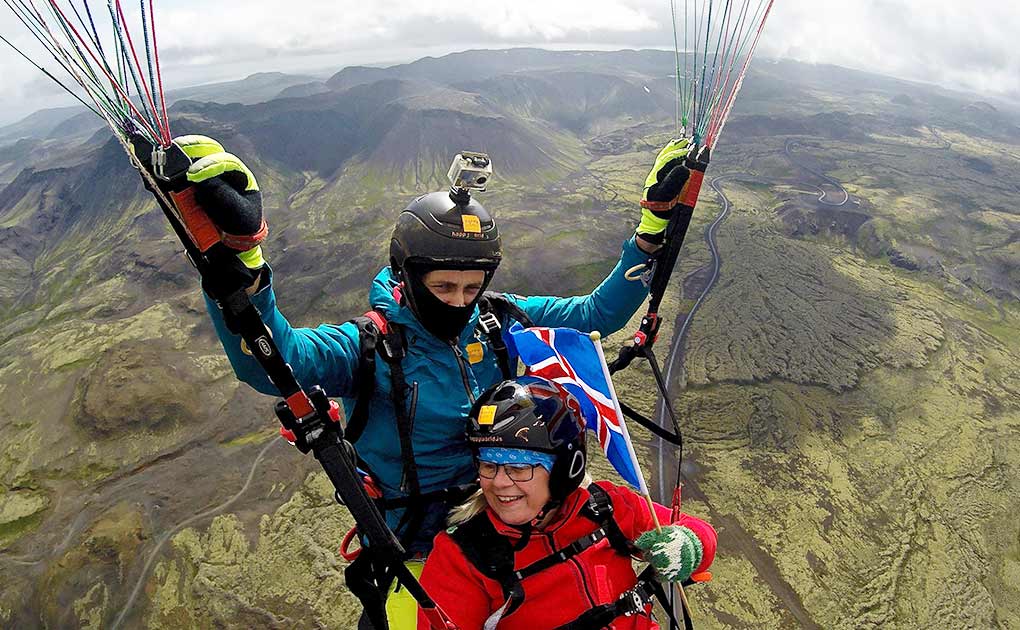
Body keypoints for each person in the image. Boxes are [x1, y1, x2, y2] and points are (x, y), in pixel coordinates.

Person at [173, 133, 696, 626]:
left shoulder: (497, 321)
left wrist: (651, 229)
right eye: (443, 286)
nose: (458, 301)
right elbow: (271, 361)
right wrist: (244, 257)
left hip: (507, 522)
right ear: (405, 275)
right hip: (419, 550)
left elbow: (596, 314)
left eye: (472, 287)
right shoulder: (369, 348)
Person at [417, 376, 716, 629]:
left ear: (564, 470)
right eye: (488, 466)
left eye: (518, 468)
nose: (499, 482)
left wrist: (689, 544)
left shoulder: (604, 506)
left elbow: (698, 532)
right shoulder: (460, 557)